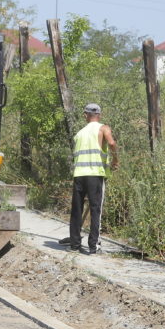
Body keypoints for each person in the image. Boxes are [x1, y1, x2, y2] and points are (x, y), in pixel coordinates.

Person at [61, 102, 118, 254]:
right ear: (99, 115)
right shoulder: (103, 128)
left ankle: (74, 245)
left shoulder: (79, 134)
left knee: (76, 210)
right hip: (95, 174)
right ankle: (94, 246)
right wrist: (115, 160)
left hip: (79, 175)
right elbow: (111, 142)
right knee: (95, 209)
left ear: (85, 115)